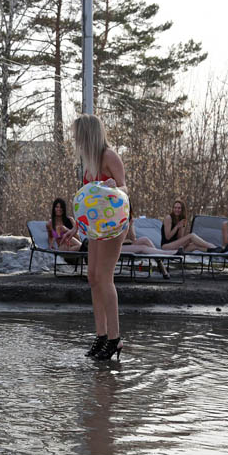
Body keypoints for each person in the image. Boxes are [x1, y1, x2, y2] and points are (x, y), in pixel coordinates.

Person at [60, 114, 127, 361]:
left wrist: (114, 187)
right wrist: (76, 227)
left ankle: (115, 338)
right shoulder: (89, 162)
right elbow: (90, 202)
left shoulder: (109, 156)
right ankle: (101, 335)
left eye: (77, 133)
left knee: (105, 277)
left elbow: (125, 188)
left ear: (88, 133)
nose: (74, 137)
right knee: (92, 277)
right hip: (96, 227)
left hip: (114, 224)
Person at [121, 206, 182, 279]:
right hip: (117, 247)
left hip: (127, 245)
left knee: (145, 239)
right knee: (142, 248)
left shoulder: (127, 221)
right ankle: (168, 254)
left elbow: (133, 239)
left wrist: (130, 225)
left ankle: (161, 264)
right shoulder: (114, 222)